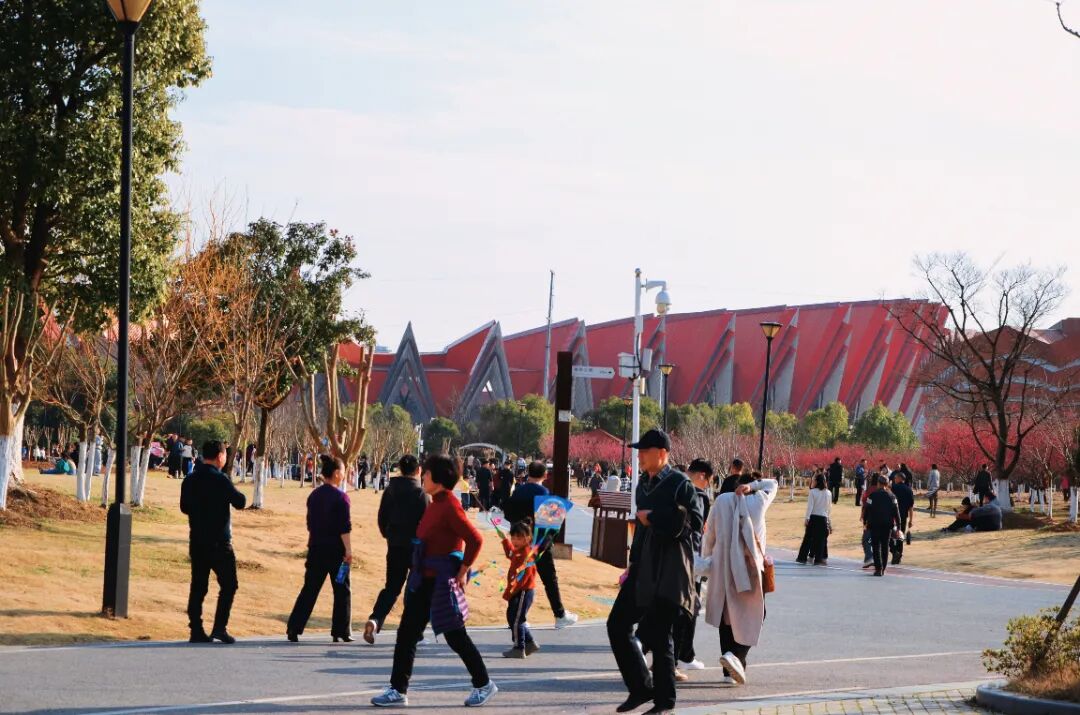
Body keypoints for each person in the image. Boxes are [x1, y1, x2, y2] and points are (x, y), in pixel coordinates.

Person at [370, 454, 497, 708]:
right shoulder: (435, 502)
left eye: (426, 473)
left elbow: (475, 539)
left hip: (440, 583)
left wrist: (463, 571)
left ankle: (484, 684)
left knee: (455, 636)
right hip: (423, 581)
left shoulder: (449, 505)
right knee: (406, 634)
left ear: (438, 478)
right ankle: (398, 690)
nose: (423, 476)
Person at [606, 429, 702, 715]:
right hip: (643, 566)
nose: (640, 456)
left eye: (645, 451)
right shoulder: (642, 486)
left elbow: (696, 522)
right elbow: (640, 529)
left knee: (661, 636)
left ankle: (664, 702)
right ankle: (640, 687)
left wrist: (656, 518)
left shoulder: (680, 483)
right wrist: (632, 563)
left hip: (671, 568)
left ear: (662, 453)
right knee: (617, 624)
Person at [703, 469, 778, 688]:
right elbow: (773, 484)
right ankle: (737, 656)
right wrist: (753, 487)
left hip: (723, 566)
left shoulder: (721, 501)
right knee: (756, 613)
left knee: (726, 617)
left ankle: (730, 670)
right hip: (750, 568)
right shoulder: (758, 500)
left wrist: (706, 562)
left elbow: (710, 535)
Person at [180, 440, 246, 643]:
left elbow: (184, 507)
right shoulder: (221, 479)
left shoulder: (190, 479)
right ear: (220, 456)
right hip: (219, 542)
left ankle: (196, 629)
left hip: (197, 540)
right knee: (229, 584)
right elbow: (240, 502)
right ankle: (219, 627)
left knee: (198, 585)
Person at [502, 460, 578, 629]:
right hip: (540, 544)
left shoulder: (518, 491)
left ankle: (516, 617)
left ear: (528, 473)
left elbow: (508, 514)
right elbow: (550, 524)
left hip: (521, 542)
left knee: (519, 579)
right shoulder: (544, 493)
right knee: (549, 579)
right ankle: (559, 614)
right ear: (545, 475)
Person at [287, 455, 353, 642]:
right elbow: (344, 528)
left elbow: (310, 524)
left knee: (310, 589)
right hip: (336, 552)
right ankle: (340, 631)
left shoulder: (314, 496)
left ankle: (294, 628)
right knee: (341, 590)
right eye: (343, 471)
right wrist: (348, 551)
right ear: (337, 473)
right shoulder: (342, 498)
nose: (344, 474)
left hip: (316, 549)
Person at [364, 454, 428, 645]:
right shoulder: (421, 494)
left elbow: (381, 517)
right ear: (418, 471)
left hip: (395, 545)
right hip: (416, 548)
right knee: (415, 589)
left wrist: (388, 535)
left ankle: (376, 619)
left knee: (392, 587)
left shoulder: (390, 490)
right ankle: (414, 631)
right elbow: (427, 523)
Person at [673, 458, 712, 676]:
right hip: (690, 560)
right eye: (708, 481)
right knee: (689, 609)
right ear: (702, 476)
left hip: (671, 558)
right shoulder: (698, 496)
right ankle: (683, 656)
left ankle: (674, 655)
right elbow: (698, 530)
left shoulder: (673, 487)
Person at [501, 519, 539, 658]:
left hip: (523, 591)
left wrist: (512, 589)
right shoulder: (518, 551)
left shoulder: (527, 554)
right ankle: (529, 643)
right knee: (513, 617)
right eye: (513, 538)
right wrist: (505, 541)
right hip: (517, 591)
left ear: (527, 538)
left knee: (517, 619)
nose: (515, 541)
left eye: (519, 538)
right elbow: (511, 554)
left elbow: (524, 576)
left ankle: (519, 647)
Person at [863, 474, 901, 577]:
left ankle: (878, 568)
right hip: (887, 525)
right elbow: (896, 512)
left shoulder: (872, 495)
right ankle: (883, 568)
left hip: (874, 524)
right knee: (885, 546)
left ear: (878, 483)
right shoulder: (892, 496)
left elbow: (867, 509)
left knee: (876, 546)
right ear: (887, 484)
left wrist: (865, 522)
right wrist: (898, 527)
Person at [797, 474, 831, 565]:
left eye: (813, 480)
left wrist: (807, 518)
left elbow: (810, 507)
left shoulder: (812, 492)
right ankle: (818, 559)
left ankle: (802, 557)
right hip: (823, 518)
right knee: (820, 540)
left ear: (816, 481)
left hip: (813, 517)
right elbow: (829, 508)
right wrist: (828, 520)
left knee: (808, 538)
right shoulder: (828, 493)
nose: (812, 482)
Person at [890, 471, 915, 565]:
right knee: (900, 537)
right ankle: (898, 556)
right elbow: (911, 507)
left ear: (900, 478)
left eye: (895, 478)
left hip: (892, 516)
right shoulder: (909, 490)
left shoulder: (893, 488)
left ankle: (894, 552)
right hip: (903, 517)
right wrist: (911, 520)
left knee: (889, 536)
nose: (894, 479)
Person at [859, 475, 881, 568]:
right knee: (877, 540)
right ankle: (874, 559)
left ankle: (869, 558)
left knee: (866, 539)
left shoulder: (869, 490)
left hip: (870, 518)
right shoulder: (885, 491)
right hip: (881, 518)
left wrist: (863, 517)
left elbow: (865, 504)